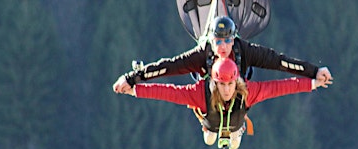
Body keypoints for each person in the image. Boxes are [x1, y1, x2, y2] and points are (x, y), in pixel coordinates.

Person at [113, 58, 333, 149]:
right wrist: (134, 89)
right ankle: (209, 129)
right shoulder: (201, 94)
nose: (227, 90)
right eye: (222, 85)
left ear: (236, 81)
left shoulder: (246, 92)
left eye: (230, 85)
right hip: (210, 120)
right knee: (209, 138)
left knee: (233, 140)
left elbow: (280, 87)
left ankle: (234, 132)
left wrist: (313, 82)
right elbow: (169, 93)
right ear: (215, 83)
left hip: (236, 123)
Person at [114, 16, 333, 93]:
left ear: (234, 38)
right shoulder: (202, 55)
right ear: (211, 40)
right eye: (218, 41)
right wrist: (131, 78)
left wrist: (314, 72)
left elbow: (280, 62)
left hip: (241, 90)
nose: (223, 46)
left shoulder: (244, 49)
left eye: (228, 40)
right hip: (207, 92)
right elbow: (167, 67)